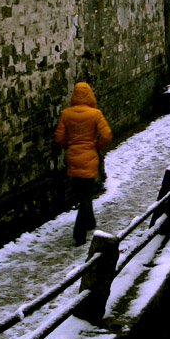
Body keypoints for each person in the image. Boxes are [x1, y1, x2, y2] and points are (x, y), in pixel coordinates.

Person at [54, 82, 112, 246]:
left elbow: (58, 138)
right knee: (86, 193)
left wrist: (68, 145)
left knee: (82, 192)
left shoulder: (66, 114)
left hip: (73, 156)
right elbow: (107, 135)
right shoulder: (95, 114)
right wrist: (97, 146)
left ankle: (90, 222)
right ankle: (79, 233)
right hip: (89, 155)